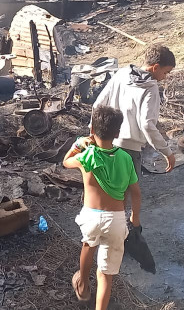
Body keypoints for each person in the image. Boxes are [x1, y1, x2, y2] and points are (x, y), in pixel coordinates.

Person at [63, 105, 140, 310]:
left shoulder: (86, 156)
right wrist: (135, 217)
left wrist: (78, 144)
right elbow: (136, 192)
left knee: (88, 245)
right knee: (105, 274)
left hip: (91, 216)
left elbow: (65, 161)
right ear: (117, 133)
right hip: (115, 219)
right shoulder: (126, 158)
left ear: (92, 131)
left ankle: (83, 285)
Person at [92, 45, 177, 177]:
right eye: (165, 72)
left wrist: (93, 132)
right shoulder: (150, 89)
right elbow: (147, 124)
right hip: (129, 150)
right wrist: (167, 152)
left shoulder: (121, 74)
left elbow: (98, 105)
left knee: (105, 188)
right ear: (155, 67)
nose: (165, 77)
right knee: (128, 192)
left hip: (105, 142)